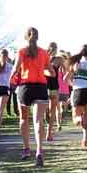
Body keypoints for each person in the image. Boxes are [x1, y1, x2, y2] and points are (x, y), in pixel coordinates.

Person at [15, 28, 53, 165]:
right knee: (39, 121)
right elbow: (51, 72)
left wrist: (11, 80)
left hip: (25, 87)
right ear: (38, 37)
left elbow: (15, 68)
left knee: (24, 118)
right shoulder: (44, 53)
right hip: (40, 87)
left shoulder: (22, 51)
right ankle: (39, 151)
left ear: (26, 37)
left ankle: (26, 149)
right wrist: (44, 71)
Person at [67, 45, 87, 149]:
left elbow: (65, 78)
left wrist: (73, 84)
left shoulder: (76, 64)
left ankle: (80, 118)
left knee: (76, 119)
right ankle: (84, 142)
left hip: (77, 91)